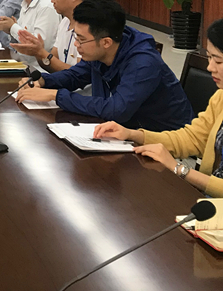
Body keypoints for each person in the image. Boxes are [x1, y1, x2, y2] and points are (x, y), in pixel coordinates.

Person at [16, 0, 194, 131]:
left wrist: (55, 96)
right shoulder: (103, 49)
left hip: (163, 141)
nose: (76, 44)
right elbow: (76, 75)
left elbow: (117, 110)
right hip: (125, 131)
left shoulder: (143, 63)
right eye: (75, 37)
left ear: (106, 42)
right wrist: (44, 81)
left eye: (81, 39)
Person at [93, 19, 223, 198]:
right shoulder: (220, 97)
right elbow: (194, 138)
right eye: (209, 57)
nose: (210, 67)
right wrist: (133, 135)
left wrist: (179, 169)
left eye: (218, 61)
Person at [10, 0, 90, 72]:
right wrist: (37, 52)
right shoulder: (65, 22)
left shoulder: (89, 27)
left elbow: (78, 74)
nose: (52, 0)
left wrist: (41, 52)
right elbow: (50, 64)